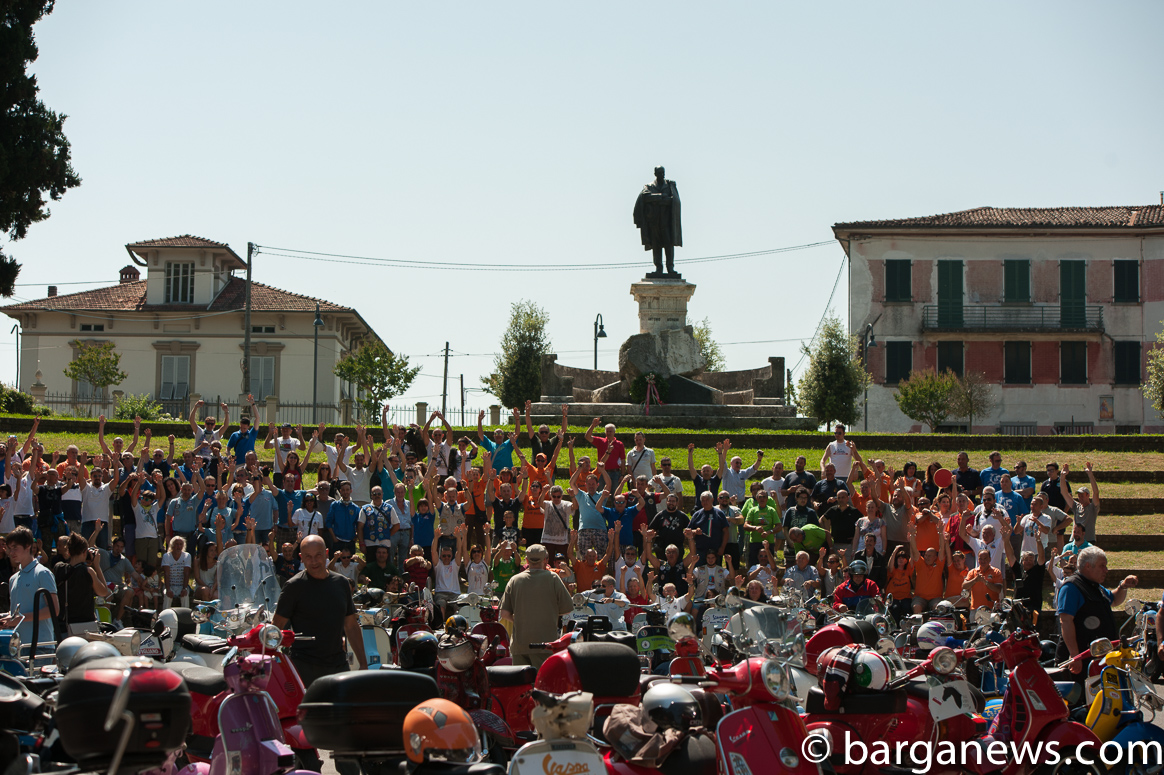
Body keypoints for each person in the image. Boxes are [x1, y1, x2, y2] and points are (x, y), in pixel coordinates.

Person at [274, 534, 367, 686]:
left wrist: (363, 664)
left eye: (318, 555)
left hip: (338, 666)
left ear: (326, 553)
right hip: (304, 668)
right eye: (308, 557)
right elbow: (276, 628)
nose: (314, 561)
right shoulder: (293, 587)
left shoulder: (342, 583)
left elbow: (351, 625)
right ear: (301, 557)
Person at [1058, 545, 1136, 671]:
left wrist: (1123, 586)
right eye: (1102, 566)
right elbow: (1065, 621)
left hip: (1099, 659)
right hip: (1081, 660)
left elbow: (1114, 600)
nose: (1106, 570)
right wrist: (1075, 656)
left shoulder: (1095, 586)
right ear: (1088, 566)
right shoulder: (1071, 587)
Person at [498, 544, 573, 668]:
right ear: (546, 560)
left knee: (522, 685)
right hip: (545, 644)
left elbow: (504, 614)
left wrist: (520, 619)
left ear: (526, 560)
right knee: (543, 685)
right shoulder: (553, 578)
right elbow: (567, 608)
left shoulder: (514, 580)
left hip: (520, 645)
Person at [1, 527, 58, 649]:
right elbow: (18, 613)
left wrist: (19, 619)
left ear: (28, 546)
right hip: (17, 647)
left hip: (40, 646)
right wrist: (7, 619)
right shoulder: (13, 578)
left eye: (15, 548)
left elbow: (54, 610)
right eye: (9, 548)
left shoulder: (43, 573)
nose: (11, 553)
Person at [54, 532, 111, 635]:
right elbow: (104, 592)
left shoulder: (59, 568)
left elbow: (70, 564)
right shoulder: (88, 571)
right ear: (85, 552)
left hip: (63, 626)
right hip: (85, 626)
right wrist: (97, 565)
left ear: (69, 551)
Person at [633, 165, 682, 275]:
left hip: (667, 222)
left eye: (663, 172)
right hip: (654, 221)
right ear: (655, 174)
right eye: (659, 173)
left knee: (669, 244)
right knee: (656, 245)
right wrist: (661, 197)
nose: (662, 175)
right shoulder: (649, 186)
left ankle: (670, 267)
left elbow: (673, 201)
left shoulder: (670, 185)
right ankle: (658, 267)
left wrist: (656, 200)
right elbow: (645, 197)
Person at [431, 525, 468, 620]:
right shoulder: (438, 565)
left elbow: (459, 551)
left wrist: (458, 538)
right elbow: (433, 552)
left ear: (451, 556)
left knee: (459, 606)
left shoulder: (454, 564)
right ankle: (442, 624)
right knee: (441, 604)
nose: (446, 558)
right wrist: (435, 538)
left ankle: (459, 623)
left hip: (455, 593)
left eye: (448, 556)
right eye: (444, 556)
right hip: (441, 593)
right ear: (441, 556)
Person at [1065, 462, 1101, 544]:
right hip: (1074, 540)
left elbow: (1096, 493)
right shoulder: (1076, 506)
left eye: (1082, 495)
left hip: (1088, 540)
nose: (1080, 498)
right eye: (1079, 496)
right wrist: (1063, 476)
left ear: (1088, 495)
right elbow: (1064, 493)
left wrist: (1090, 475)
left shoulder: (1093, 507)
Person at [721, 439, 762, 506]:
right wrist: (725, 450)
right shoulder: (726, 472)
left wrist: (759, 459)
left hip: (741, 504)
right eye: (737, 462)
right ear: (731, 463)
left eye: (740, 463)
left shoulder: (743, 473)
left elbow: (753, 469)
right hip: (729, 504)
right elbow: (722, 462)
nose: (739, 464)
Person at [160, 536, 192, 606]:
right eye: (177, 544)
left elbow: (187, 573)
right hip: (170, 585)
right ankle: (165, 615)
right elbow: (166, 573)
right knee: (167, 596)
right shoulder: (166, 556)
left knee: (185, 595)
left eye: (180, 544)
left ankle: (185, 615)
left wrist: (184, 588)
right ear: (172, 545)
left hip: (181, 585)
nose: (179, 546)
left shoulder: (187, 556)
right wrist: (168, 589)